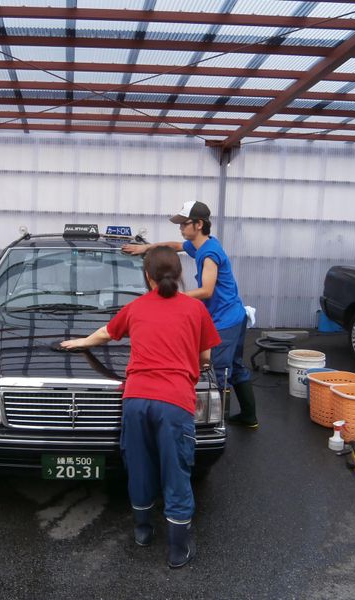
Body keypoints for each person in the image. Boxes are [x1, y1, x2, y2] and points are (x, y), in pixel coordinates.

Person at [61, 246, 220, 569]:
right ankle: (178, 549)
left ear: (147, 277)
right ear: (179, 275)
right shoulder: (195, 309)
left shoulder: (136, 307)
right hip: (174, 403)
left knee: (140, 466)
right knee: (176, 471)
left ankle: (143, 532)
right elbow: (205, 357)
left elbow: (105, 334)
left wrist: (79, 342)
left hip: (135, 401)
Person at [122, 201, 259, 428]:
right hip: (235, 314)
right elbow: (175, 245)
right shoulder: (203, 244)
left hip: (225, 320)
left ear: (199, 224)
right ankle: (249, 416)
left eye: (184, 224)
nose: (180, 228)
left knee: (217, 372)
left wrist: (174, 296)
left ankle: (214, 426)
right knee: (235, 366)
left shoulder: (209, 254)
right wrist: (147, 248)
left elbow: (207, 290)